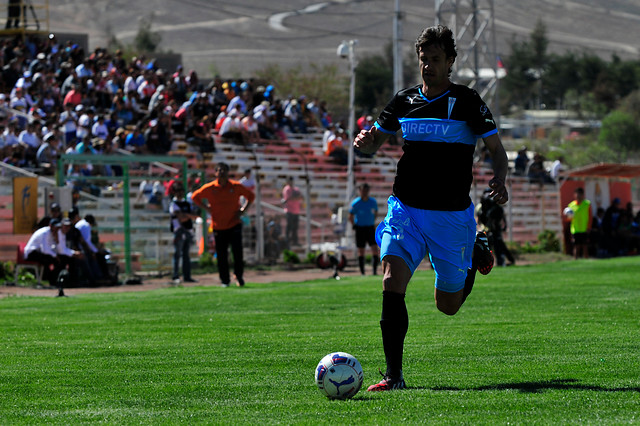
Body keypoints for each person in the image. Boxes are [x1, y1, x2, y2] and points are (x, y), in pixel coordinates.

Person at [353, 25, 508, 392]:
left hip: (450, 216)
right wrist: (365, 142)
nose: (429, 66)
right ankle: (393, 376)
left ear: (450, 61)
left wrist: (500, 180)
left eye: (436, 60)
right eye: (424, 60)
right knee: (391, 281)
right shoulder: (404, 101)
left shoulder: (468, 101)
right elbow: (375, 139)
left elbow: (497, 152)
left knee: (448, 306)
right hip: (405, 209)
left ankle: (474, 248)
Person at [191, 162, 255, 287]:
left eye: (224, 170)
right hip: (218, 226)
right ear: (215, 173)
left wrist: (243, 210)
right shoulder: (210, 188)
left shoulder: (236, 186)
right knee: (221, 254)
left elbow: (251, 196)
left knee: (237, 252)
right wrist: (206, 208)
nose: (221, 173)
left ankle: (239, 276)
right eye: (219, 170)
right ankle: (225, 280)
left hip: (234, 223)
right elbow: (195, 197)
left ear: (227, 173)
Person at [169, 182, 200, 284]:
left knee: (186, 255)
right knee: (177, 254)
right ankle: (175, 275)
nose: (180, 193)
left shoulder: (186, 204)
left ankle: (187, 276)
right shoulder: (173, 204)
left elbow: (195, 216)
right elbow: (181, 218)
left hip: (188, 231)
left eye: (181, 191)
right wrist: (188, 215)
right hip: (179, 231)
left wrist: (186, 215)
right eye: (178, 191)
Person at [477, 189, 515, 266]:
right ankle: (485, 262)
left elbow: (501, 216)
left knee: (499, 244)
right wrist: (481, 229)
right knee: (486, 246)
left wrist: (503, 225)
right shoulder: (480, 207)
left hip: (496, 228)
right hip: (485, 228)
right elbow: (478, 220)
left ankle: (504, 260)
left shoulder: (496, 205)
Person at [349, 183, 380, 275]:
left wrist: (372, 221)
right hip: (360, 228)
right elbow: (350, 215)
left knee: (374, 248)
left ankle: (374, 271)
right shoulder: (356, 203)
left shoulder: (372, 202)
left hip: (370, 228)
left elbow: (376, 212)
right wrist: (354, 224)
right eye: (363, 190)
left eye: (366, 190)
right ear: (360, 191)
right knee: (361, 250)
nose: (364, 192)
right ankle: (362, 272)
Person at [564, 187, 592, 259]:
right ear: (574, 195)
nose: (579, 196)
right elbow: (568, 219)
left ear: (583, 195)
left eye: (580, 194)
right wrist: (567, 217)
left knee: (585, 245)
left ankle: (586, 259)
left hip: (584, 228)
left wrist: (589, 227)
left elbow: (590, 216)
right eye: (577, 194)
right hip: (575, 229)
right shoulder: (571, 205)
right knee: (576, 246)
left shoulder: (587, 204)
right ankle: (575, 259)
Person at [282, 176, 303, 247]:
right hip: (289, 210)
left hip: (296, 211)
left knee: (295, 227)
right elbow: (290, 198)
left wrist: (295, 197)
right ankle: (287, 241)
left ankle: (295, 241)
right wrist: (296, 197)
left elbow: (301, 196)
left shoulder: (296, 189)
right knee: (289, 227)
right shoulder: (286, 189)